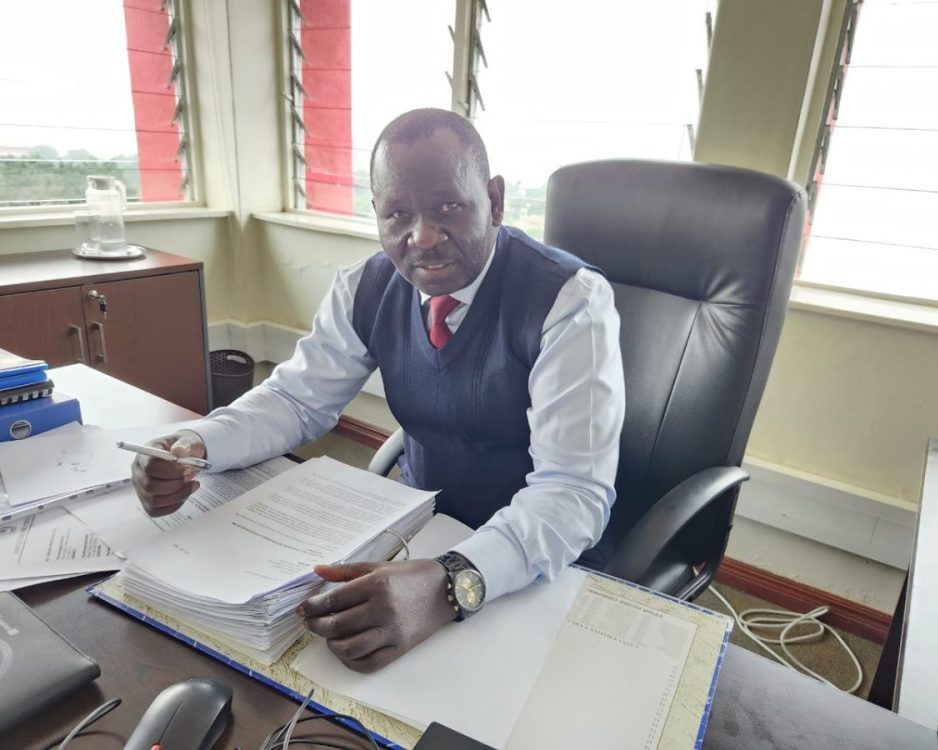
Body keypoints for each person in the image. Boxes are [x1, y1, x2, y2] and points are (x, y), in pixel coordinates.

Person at [131, 108, 625, 672]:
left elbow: (572, 492)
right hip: (419, 528)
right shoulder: (366, 285)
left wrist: (451, 580)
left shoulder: (570, 301)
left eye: (448, 207)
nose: (423, 238)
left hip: (537, 556)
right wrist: (197, 444)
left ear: (494, 199)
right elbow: (295, 399)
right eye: (398, 215)